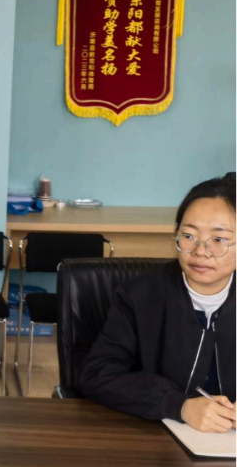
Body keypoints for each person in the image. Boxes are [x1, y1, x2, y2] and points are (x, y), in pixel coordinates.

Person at [80, 176, 237, 432]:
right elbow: (98, 374)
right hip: (151, 434)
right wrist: (179, 405)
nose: (200, 251)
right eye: (189, 236)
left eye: (219, 240)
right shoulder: (139, 296)